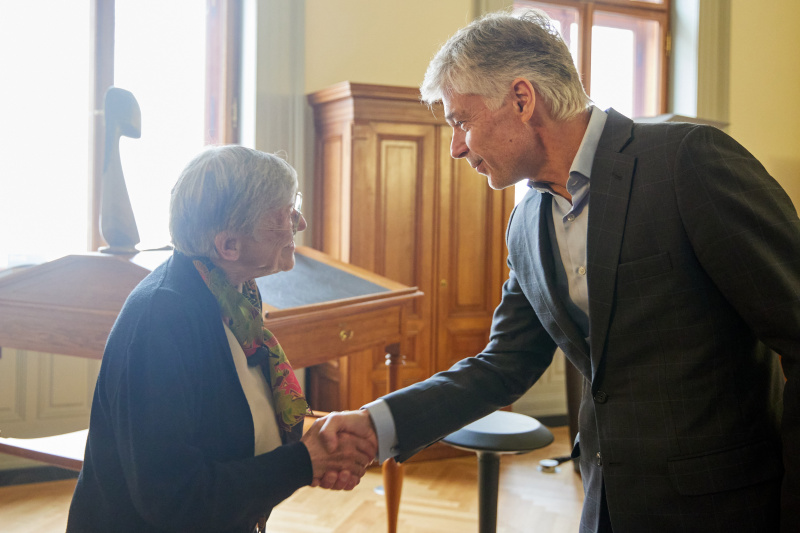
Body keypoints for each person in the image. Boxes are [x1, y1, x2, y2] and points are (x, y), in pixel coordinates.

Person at [319, 9, 800, 533]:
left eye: (461, 120)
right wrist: (375, 425)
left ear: (522, 100)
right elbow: (504, 365)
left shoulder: (687, 162)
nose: (456, 146)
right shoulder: (526, 222)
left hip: (728, 509)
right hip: (605, 506)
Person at [67, 146, 376, 533]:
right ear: (229, 245)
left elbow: (232, 417)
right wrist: (304, 462)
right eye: (283, 213)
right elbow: (175, 500)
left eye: (293, 206)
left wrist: (318, 437)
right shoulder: (161, 321)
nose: (300, 222)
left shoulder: (233, 294)